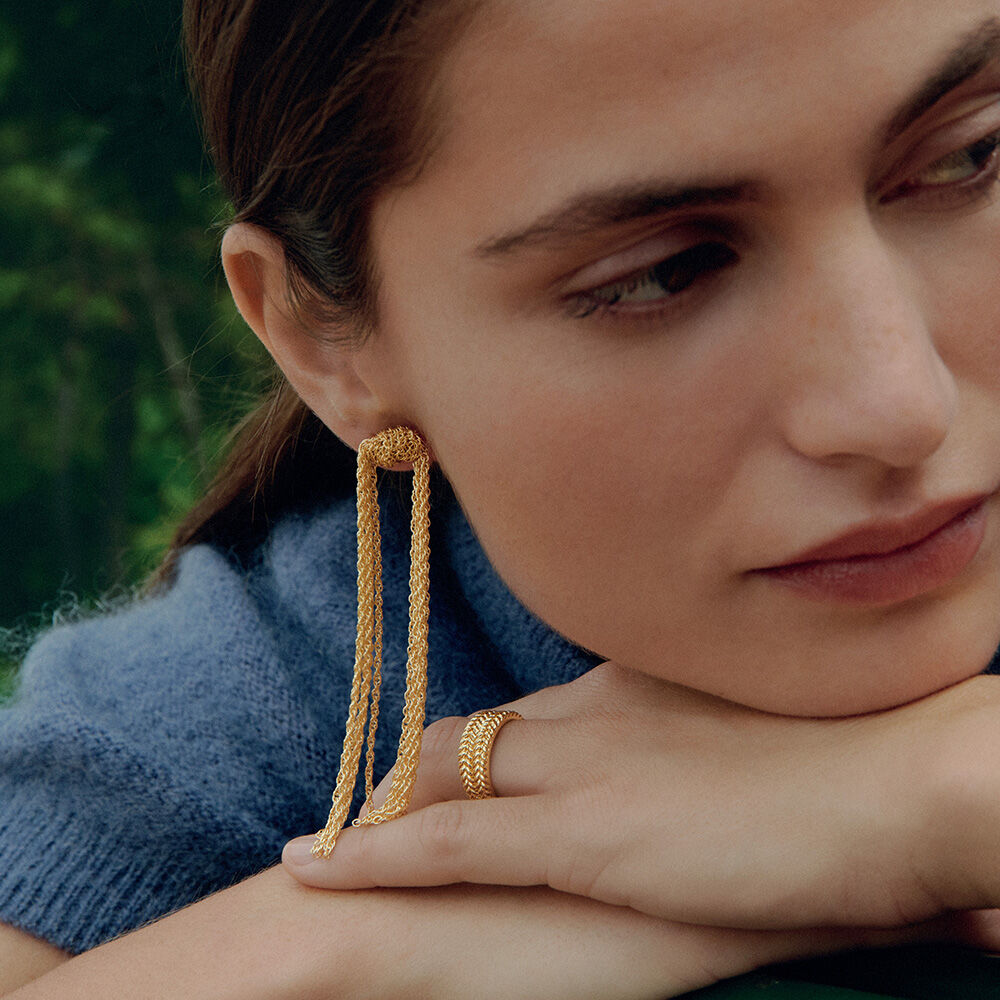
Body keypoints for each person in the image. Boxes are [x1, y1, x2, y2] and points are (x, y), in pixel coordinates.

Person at [2, 0, 1000, 995]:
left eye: (973, 157)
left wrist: (951, 798)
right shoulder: (269, 698)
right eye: (661, 274)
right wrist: (349, 942)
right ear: (323, 342)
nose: (899, 408)